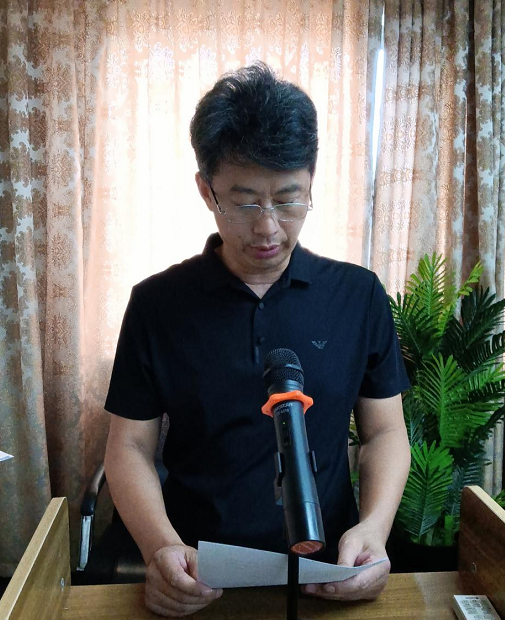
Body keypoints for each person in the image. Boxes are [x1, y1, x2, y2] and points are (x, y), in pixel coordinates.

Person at [103, 63, 411, 617]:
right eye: (245, 201)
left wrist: (374, 529)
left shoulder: (357, 295)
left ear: (311, 183)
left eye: (289, 200)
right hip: (200, 573)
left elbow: (385, 430)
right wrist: (161, 547)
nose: (268, 227)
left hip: (328, 574)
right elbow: (129, 447)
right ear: (207, 190)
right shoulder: (157, 304)